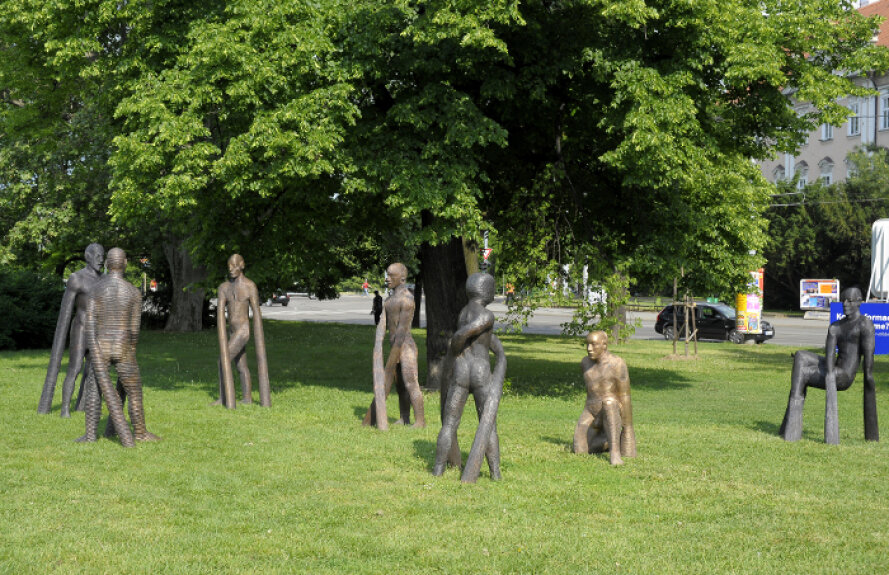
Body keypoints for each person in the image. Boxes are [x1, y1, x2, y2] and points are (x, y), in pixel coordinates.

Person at [76, 248, 159, 446]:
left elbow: (90, 324)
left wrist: (94, 349)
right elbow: (134, 330)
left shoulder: (95, 290)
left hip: (101, 347)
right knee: (134, 391)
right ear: (125, 263)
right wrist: (131, 349)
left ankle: (90, 435)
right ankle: (140, 432)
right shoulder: (133, 292)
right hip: (123, 346)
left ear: (107, 264)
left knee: (94, 390)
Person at [433, 272, 506, 483]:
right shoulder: (486, 315)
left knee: (449, 423)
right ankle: (495, 473)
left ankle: (438, 469)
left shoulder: (464, 313)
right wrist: (455, 346)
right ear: (486, 291)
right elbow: (460, 337)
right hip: (479, 372)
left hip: (461, 371)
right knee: (488, 423)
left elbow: (481, 338)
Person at [779, 287, 878, 443]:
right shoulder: (835, 327)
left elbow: (868, 360)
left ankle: (791, 431)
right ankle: (791, 423)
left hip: (844, 376)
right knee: (800, 356)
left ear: (859, 302)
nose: (845, 304)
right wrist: (830, 372)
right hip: (834, 369)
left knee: (803, 374)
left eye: (849, 300)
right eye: (843, 300)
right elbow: (830, 354)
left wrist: (869, 381)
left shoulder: (865, 324)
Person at [39, 243, 105, 417]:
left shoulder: (105, 280)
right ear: (88, 257)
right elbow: (66, 312)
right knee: (75, 368)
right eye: (97, 256)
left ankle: (83, 405)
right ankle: (65, 408)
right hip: (81, 328)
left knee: (94, 369)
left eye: (102, 256)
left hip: (98, 331)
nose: (101, 259)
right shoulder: (77, 278)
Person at [364, 263, 425, 429]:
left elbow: (401, 332)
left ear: (402, 278)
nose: (387, 279)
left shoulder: (407, 300)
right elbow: (382, 324)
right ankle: (404, 417)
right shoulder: (389, 300)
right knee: (400, 387)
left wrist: (392, 360)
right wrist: (378, 345)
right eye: (387, 275)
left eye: (391, 276)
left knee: (410, 382)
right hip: (394, 348)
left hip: (405, 347)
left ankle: (420, 421)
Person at [572, 331, 636, 465]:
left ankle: (615, 452)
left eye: (594, 345)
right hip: (591, 410)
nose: (589, 348)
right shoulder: (585, 363)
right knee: (580, 449)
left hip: (611, 409)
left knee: (609, 402)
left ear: (604, 345)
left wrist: (628, 430)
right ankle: (607, 441)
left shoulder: (617, 363)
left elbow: (625, 396)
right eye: (587, 344)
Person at [216, 254, 271, 408]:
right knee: (241, 366)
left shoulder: (249, 286)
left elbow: (256, 311)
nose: (231, 269)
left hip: (243, 330)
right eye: (229, 266)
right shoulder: (224, 288)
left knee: (222, 360)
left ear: (242, 266)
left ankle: (224, 398)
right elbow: (220, 314)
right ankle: (247, 398)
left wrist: (259, 336)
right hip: (232, 331)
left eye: (234, 266)